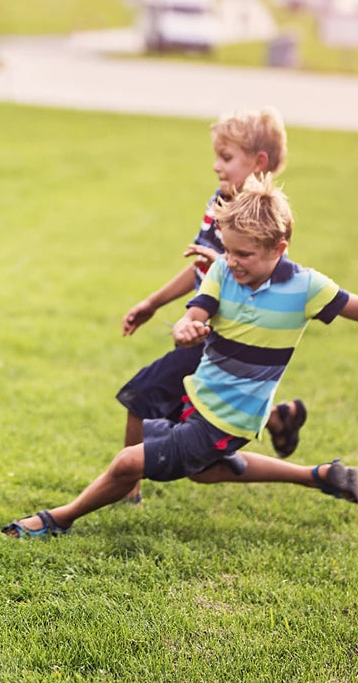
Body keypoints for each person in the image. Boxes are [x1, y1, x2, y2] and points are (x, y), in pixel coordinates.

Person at [2, 174, 358, 539]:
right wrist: (184, 330)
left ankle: (58, 519)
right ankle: (320, 476)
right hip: (200, 398)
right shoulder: (223, 270)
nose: (232, 262)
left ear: (278, 248)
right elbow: (194, 314)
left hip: (231, 417)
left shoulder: (307, 287)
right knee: (203, 470)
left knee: (128, 461)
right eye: (228, 250)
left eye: (244, 254)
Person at [116, 107, 303, 504]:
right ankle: (276, 418)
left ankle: (126, 487)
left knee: (140, 397)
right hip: (200, 332)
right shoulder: (219, 203)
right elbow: (201, 266)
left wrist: (220, 266)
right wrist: (154, 302)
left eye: (227, 157)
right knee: (188, 413)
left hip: (218, 340)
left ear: (259, 162)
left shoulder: (261, 224)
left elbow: (257, 283)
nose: (216, 165)